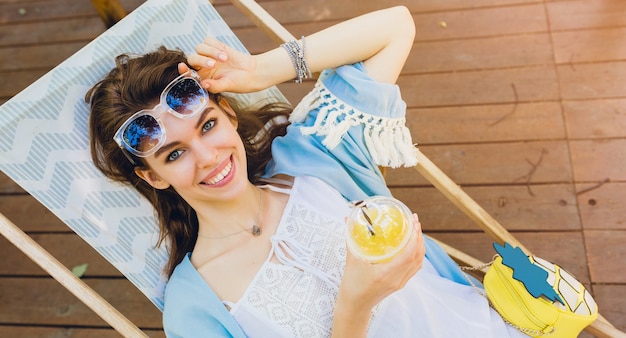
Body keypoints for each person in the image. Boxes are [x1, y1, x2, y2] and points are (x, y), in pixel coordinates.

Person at [86, 6, 528, 338]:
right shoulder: (193, 308)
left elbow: (395, 27)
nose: (208, 156)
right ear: (153, 177)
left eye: (208, 125)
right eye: (174, 154)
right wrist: (354, 305)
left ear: (229, 115)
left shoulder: (315, 158)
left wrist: (261, 70)